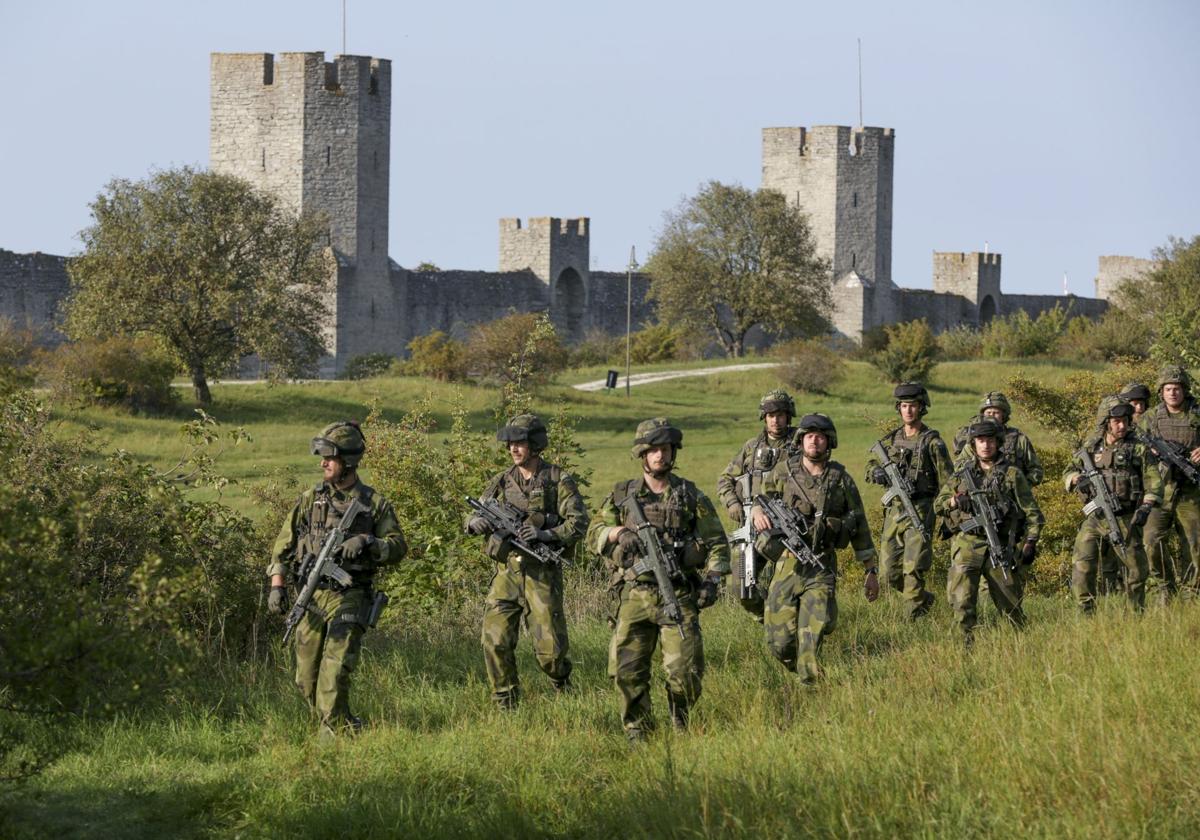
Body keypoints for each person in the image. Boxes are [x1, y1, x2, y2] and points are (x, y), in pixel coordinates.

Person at [586, 418, 729, 741]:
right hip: (634, 595)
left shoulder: (689, 496)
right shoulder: (623, 496)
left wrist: (713, 578)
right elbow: (592, 533)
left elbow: (718, 543)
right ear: (643, 455)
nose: (660, 456)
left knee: (686, 672)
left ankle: (680, 716)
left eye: (666, 449)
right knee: (627, 670)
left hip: (677, 594)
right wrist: (617, 532)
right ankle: (637, 729)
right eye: (654, 451)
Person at [267, 421, 407, 738]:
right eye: (322, 457)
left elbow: (399, 547)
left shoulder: (374, 504)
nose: (323, 463)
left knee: (333, 675)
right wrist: (277, 585)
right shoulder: (309, 500)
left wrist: (370, 543)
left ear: (348, 461)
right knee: (307, 680)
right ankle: (344, 724)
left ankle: (334, 742)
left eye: (330, 458)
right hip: (312, 597)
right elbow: (282, 547)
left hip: (351, 595)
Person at [465, 414, 588, 709]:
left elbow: (579, 523)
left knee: (551, 652)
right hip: (506, 574)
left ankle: (561, 684)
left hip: (541, 574)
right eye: (510, 443)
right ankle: (505, 702)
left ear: (535, 445)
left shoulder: (557, 479)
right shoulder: (501, 480)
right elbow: (475, 510)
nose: (513, 449)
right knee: (494, 641)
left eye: (520, 443)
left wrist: (545, 533)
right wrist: (473, 522)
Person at [751, 413, 879, 684]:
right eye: (809, 436)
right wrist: (757, 513)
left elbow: (860, 525)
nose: (815, 441)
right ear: (801, 440)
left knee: (811, 639)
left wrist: (871, 570)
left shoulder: (840, 480)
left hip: (820, 566)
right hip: (785, 565)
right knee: (780, 644)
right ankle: (799, 669)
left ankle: (812, 690)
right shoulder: (783, 472)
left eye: (820, 437)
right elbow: (759, 498)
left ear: (829, 442)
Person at [936, 418, 1043, 645]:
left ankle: (1023, 647)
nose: (985, 445)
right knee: (962, 603)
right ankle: (964, 650)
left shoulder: (1012, 474)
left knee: (1011, 605)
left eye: (990, 440)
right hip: (967, 546)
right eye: (980, 441)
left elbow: (1032, 512)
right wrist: (956, 501)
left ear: (998, 442)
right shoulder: (960, 475)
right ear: (973, 444)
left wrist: (1031, 542)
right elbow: (939, 504)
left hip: (1000, 546)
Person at [864, 382, 954, 619]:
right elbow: (871, 463)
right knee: (889, 574)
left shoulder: (932, 442)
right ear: (899, 409)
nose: (909, 411)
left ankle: (911, 622)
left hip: (921, 510)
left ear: (921, 408)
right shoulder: (892, 440)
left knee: (913, 570)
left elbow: (949, 482)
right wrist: (876, 472)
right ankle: (923, 600)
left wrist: (948, 517)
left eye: (913, 406)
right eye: (904, 406)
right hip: (894, 512)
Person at [1063, 397, 1159, 613]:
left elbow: (1154, 481)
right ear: (1106, 421)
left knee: (1137, 570)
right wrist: (1077, 479)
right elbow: (1068, 471)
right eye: (1116, 421)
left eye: (1125, 420)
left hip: (1125, 517)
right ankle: (1085, 614)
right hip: (1095, 519)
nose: (1122, 425)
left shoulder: (1138, 449)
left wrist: (1146, 506)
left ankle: (1135, 613)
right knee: (1082, 565)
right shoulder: (1091, 446)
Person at [716, 389, 797, 619]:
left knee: (788, 587)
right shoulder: (751, 448)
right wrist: (733, 503)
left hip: (786, 530)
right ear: (764, 417)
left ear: (788, 416)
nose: (775, 420)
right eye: (771, 415)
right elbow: (725, 480)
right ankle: (767, 619)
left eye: (780, 414)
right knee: (740, 588)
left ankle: (785, 624)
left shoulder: (800, 445)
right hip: (751, 528)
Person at [1141, 366, 1200, 603]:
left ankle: (1192, 592)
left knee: (1195, 545)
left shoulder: (1197, 414)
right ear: (1161, 392)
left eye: (1176, 388)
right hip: (1159, 491)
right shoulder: (1151, 418)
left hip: (1191, 491)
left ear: (1184, 390)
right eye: (1168, 389)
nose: (1173, 393)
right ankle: (1164, 587)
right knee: (1151, 541)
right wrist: (1150, 451)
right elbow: (1133, 445)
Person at [953, 392, 1044, 486]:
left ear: (1003, 415)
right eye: (988, 413)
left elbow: (1036, 471)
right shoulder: (976, 438)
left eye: (996, 413)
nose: (991, 416)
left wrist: (1021, 487)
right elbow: (958, 467)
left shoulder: (1019, 440)